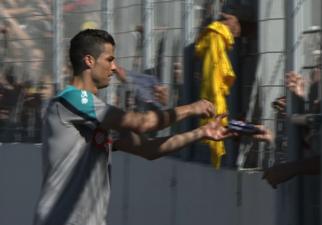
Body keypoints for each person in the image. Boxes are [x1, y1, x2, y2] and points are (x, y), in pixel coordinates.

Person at [33, 29, 266, 225]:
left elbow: (150, 150)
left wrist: (201, 132)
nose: (114, 67)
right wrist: (192, 108)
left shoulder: (93, 116)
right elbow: (143, 123)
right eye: (110, 59)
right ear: (88, 60)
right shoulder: (72, 100)